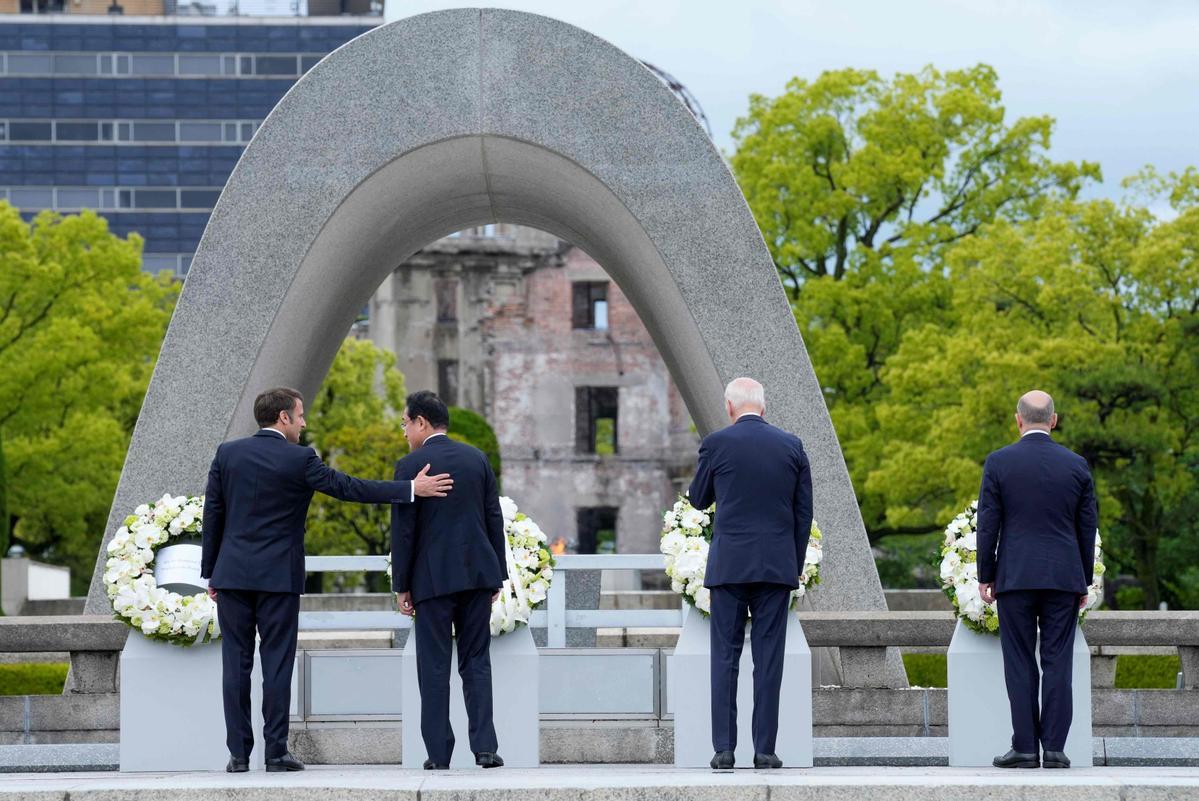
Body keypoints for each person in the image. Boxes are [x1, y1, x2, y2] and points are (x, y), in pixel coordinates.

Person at [201, 387, 453, 773]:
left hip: (232, 573)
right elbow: (349, 488)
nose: (303, 424)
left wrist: (211, 572)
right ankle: (275, 753)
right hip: (278, 578)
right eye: (300, 416)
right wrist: (409, 489)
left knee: (234, 664)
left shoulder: (227, 454)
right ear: (283, 417)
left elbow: (213, 514)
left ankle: (238, 755)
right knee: (277, 664)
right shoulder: (300, 459)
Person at [689, 377, 813, 771]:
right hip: (775, 566)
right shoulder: (791, 446)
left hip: (729, 566)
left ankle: (724, 749)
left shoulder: (716, 443)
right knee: (769, 658)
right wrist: (791, 564)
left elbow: (697, 498)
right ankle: (765, 750)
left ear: (729, 406)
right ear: (764, 406)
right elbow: (803, 513)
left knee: (724, 657)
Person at [977, 390, 1098, 770]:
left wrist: (986, 575)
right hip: (1063, 577)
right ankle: (1057, 749)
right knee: (1058, 660)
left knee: (1019, 661)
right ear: (1054, 419)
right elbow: (1087, 527)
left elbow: (988, 525)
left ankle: (1026, 747)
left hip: (1015, 576)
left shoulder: (999, 462)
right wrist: (1084, 578)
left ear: (1018, 420)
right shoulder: (1077, 465)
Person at [391, 391, 506, 770]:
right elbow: (493, 518)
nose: (405, 431)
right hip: (477, 575)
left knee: (434, 666)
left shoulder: (410, 465)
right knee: (477, 661)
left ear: (422, 422)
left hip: (431, 581)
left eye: (406, 423)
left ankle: (439, 754)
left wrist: (402, 585)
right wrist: (497, 576)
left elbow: (404, 532)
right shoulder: (477, 459)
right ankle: (485, 747)